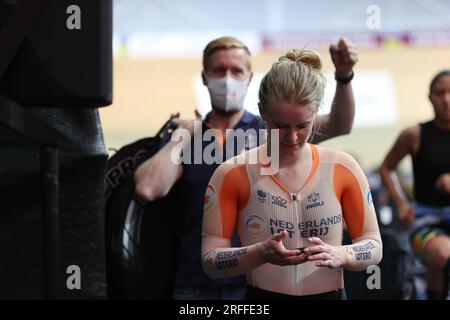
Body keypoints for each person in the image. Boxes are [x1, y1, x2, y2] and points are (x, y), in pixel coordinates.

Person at [134, 36, 358, 300]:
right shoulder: (190, 138)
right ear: (205, 77)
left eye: (236, 70)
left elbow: (339, 125)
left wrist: (344, 77)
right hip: (196, 283)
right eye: (219, 70)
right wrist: (182, 135)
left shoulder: (272, 128)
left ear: (249, 77)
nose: (228, 78)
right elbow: (147, 188)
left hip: (257, 285)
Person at [201, 48, 382, 300]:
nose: (292, 137)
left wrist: (343, 254)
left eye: (303, 125)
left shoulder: (343, 168)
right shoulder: (233, 173)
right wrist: (259, 253)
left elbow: (373, 245)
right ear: (262, 112)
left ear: (316, 113)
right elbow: (210, 261)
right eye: (281, 126)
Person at [379, 70, 450, 300]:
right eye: (440, 93)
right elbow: (386, 168)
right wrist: (400, 203)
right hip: (424, 219)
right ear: (430, 97)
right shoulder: (414, 134)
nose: (447, 100)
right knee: (442, 253)